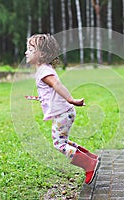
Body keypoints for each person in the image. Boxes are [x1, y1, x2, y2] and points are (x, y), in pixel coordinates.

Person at [24, 33, 100, 185]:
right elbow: (51, 91)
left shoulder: (44, 72)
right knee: (63, 141)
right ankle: (91, 157)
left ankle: (89, 164)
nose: (26, 52)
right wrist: (43, 99)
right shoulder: (43, 70)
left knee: (59, 144)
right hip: (63, 113)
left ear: (42, 54)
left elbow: (57, 86)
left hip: (63, 114)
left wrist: (71, 99)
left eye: (30, 49)